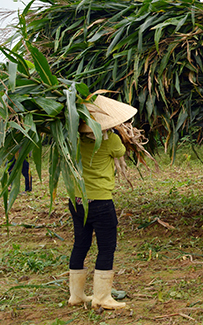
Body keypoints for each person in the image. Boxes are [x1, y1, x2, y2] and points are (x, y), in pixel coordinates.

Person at [67, 95, 137, 311]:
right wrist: (117, 132)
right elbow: (122, 151)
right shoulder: (109, 140)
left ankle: (76, 295)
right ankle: (102, 297)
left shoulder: (73, 140)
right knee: (106, 247)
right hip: (100, 202)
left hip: (77, 200)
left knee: (81, 243)